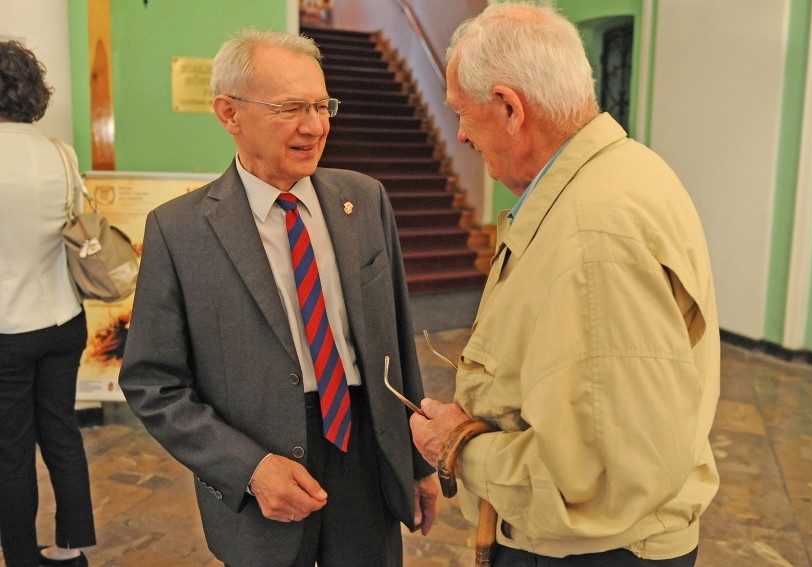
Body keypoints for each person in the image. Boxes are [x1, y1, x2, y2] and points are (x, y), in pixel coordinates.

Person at [410, 4, 720, 566]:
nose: (458, 132)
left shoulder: (592, 233)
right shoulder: (625, 170)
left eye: (462, 112)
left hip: (591, 550)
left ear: (509, 108)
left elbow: (598, 477)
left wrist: (455, 446)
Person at [118, 28, 437, 567]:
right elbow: (153, 382)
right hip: (260, 471)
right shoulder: (179, 231)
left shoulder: (365, 199)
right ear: (229, 112)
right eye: (291, 107)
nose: (314, 126)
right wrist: (247, 468)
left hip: (366, 453)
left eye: (321, 104)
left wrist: (417, 459)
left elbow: (394, 340)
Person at [0, 41, 97, 567]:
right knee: (60, 430)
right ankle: (71, 548)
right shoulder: (62, 153)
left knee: (10, 449)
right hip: (63, 318)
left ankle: (20, 557)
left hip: (6, 328)